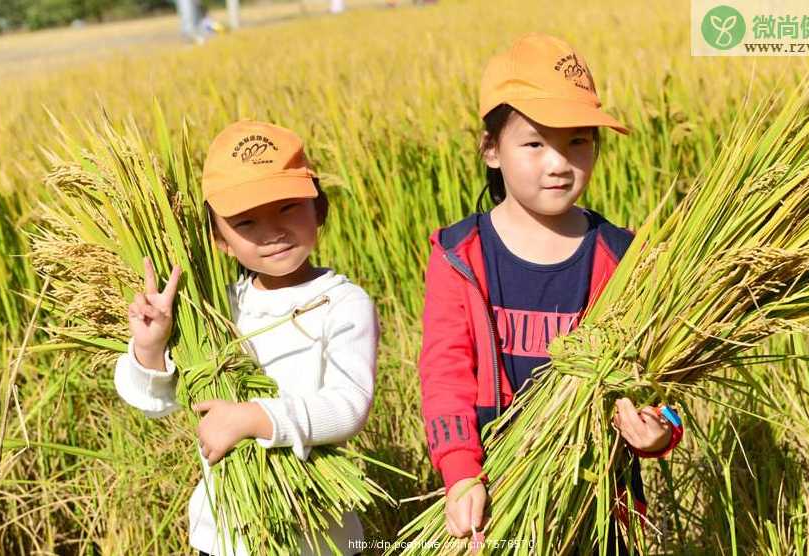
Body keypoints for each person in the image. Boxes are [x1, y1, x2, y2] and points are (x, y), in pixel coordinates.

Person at [417, 33, 685, 553]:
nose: (558, 163)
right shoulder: (459, 256)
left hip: (599, 498)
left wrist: (660, 431)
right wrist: (461, 474)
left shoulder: (622, 256)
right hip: (495, 488)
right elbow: (444, 373)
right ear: (491, 149)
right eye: (536, 143)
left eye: (577, 142)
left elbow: (662, 379)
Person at [114, 120, 377, 556]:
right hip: (225, 537)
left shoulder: (343, 303)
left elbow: (349, 406)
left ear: (320, 208)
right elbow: (154, 404)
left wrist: (254, 418)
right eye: (247, 221)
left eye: (288, 207)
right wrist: (150, 347)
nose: (272, 231)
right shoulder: (215, 308)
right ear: (220, 240)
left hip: (316, 536)